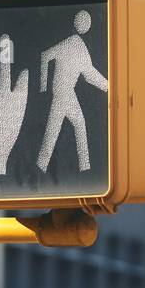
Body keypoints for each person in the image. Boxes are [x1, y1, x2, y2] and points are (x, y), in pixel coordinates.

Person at [37, 10, 108, 174]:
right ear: (82, 24)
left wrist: (107, 86)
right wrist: (43, 85)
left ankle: (42, 164)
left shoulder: (76, 44)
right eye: (85, 22)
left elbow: (89, 74)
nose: (86, 25)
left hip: (63, 91)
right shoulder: (74, 44)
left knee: (57, 128)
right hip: (64, 91)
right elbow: (46, 55)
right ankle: (84, 167)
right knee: (75, 125)